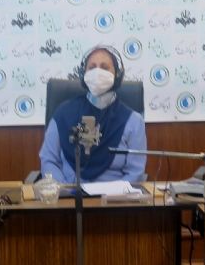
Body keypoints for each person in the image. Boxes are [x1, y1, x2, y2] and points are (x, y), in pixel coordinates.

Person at [39, 46, 146, 183]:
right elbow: (49, 160)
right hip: (68, 192)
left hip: (114, 194)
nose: (97, 72)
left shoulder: (133, 121)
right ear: (83, 74)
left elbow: (135, 172)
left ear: (117, 75)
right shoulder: (63, 113)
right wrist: (63, 190)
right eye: (92, 67)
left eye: (105, 67)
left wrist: (113, 193)